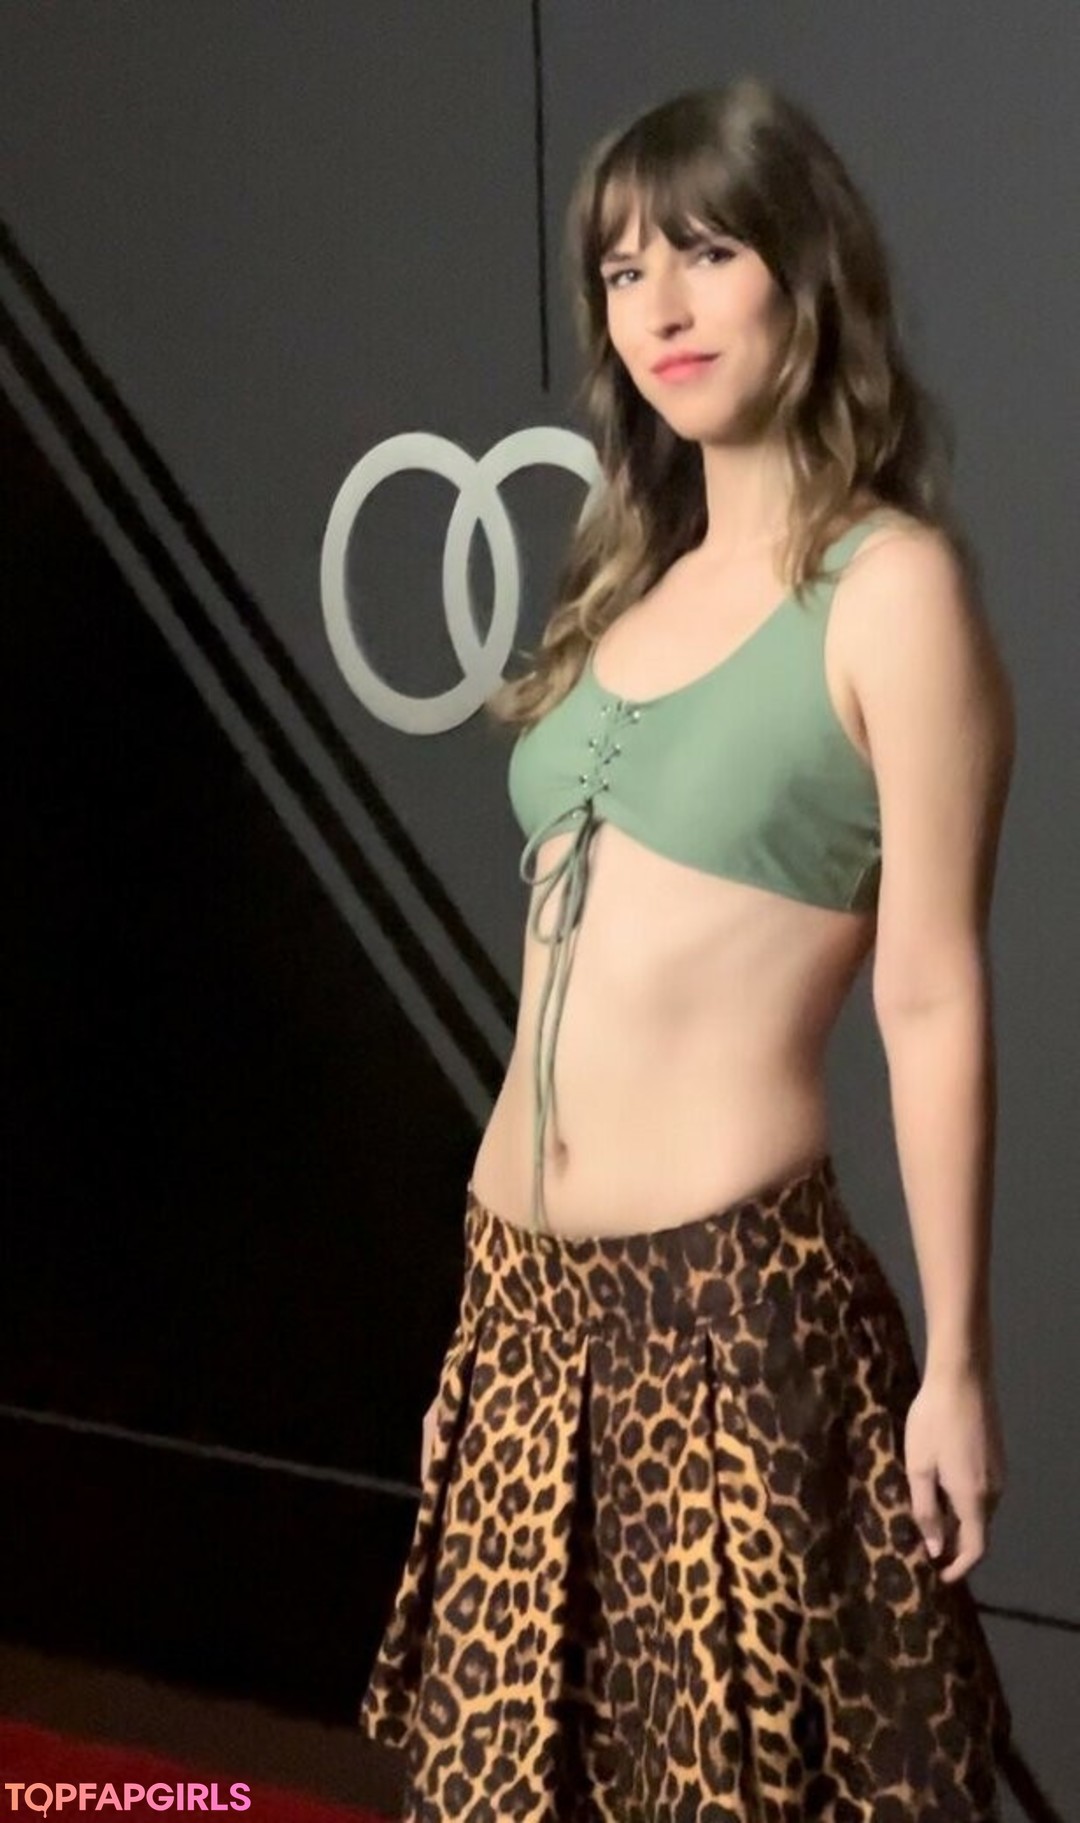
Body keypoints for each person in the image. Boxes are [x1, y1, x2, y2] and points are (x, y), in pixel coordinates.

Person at [358, 77, 1062, 1822]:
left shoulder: (891, 591)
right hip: (523, 1315)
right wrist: (476, 1342)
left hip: (731, 1321)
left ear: (804, 273)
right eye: (622, 272)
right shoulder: (625, 581)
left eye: (707, 252)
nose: (660, 307)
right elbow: (555, 997)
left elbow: (931, 995)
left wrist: (958, 1366)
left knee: (728, 1792)